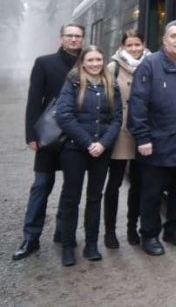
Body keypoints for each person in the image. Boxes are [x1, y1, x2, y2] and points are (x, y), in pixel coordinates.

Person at [128, 20, 176, 256]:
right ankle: (149, 234)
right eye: (174, 36)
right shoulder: (149, 65)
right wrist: (142, 138)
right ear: (164, 40)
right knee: (152, 193)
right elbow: (138, 104)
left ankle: (174, 228)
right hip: (156, 143)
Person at [12, 23, 84, 262]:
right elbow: (34, 100)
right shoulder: (45, 63)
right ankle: (30, 238)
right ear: (61, 38)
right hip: (49, 136)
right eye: (69, 36)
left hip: (76, 136)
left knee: (71, 187)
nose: (74, 40)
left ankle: (63, 232)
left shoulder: (89, 62)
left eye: (78, 36)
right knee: (42, 185)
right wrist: (31, 135)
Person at [55, 45, 123, 266]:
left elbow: (117, 118)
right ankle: (67, 245)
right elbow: (64, 116)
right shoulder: (72, 82)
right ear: (83, 62)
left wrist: (102, 143)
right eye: (90, 60)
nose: (95, 64)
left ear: (103, 61)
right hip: (75, 149)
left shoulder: (111, 83)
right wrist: (88, 143)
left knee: (95, 197)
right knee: (71, 197)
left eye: (98, 60)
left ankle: (91, 243)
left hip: (101, 151)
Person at [102, 30, 151, 249]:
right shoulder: (112, 67)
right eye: (129, 45)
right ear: (123, 47)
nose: (133, 49)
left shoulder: (152, 65)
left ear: (143, 45)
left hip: (143, 133)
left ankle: (133, 227)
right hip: (119, 132)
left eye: (137, 44)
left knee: (139, 184)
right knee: (114, 183)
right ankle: (110, 231)